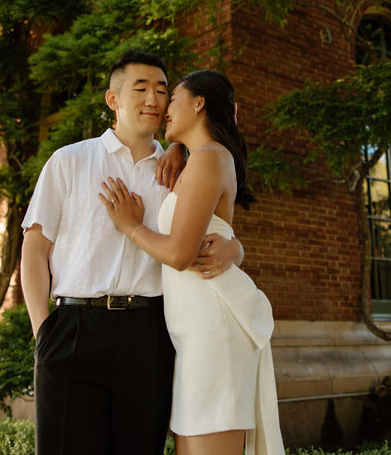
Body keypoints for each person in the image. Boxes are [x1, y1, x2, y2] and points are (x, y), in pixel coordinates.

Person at [20, 51, 245, 455]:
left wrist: (235, 249)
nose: (154, 100)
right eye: (141, 89)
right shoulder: (68, 161)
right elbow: (34, 250)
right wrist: (44, 333)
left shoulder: (181, 170)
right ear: (113, 99)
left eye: (162, 90)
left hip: (150, 333)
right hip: (74, 328)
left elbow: (216, 228)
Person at [100, 70, 284, 455]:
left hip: (213, 331)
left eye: (174, 99)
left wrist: (131, 226)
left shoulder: (210, 158)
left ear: (199, 103)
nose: (165, 108)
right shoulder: (200, 158)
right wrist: (179, 148)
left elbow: (182, 255)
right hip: (196, 334)